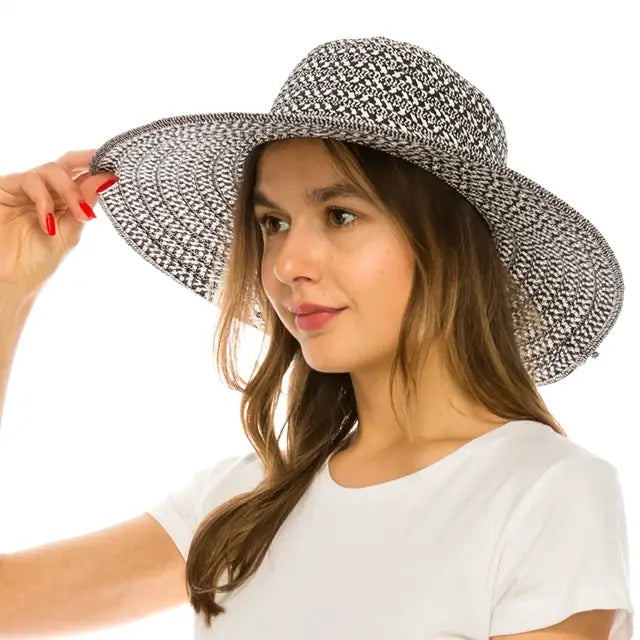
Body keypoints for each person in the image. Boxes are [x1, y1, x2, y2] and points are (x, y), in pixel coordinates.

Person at [0, 36, 633, 639]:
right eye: (273, 222)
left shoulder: (542, 491)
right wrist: (9, 286)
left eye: (340, 215)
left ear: (448, 246)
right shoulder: (243, 504)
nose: (286, 264)